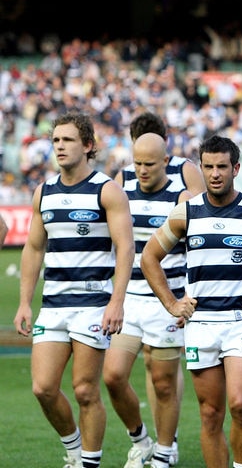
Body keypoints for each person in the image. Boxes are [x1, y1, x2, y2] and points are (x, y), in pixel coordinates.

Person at [140, 135, 242, 468]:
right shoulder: (185, 213)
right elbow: (148, 258)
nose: (215, 173)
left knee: (240, 403)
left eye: (222, 167)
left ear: (236, 168)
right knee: (210, 412)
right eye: (208, 167)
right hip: (200, 324)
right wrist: (173, 304)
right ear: (201, 168)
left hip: (240, 323)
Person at [13, 111, 135, 468]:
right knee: (43, 388)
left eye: (67, 140)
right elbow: (34, 248)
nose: (60, 147)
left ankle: (88, 463)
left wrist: (117, 301)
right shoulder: (44, 192)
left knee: (85, 390)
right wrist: (24, 302)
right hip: (53, 305)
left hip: (93, 304)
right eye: (56, 140)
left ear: (88, 145)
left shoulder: (107, 190)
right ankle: (73, 450)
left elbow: (126, 248)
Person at [112, 111, 206, 467]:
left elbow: (197, 245)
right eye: (136, 162)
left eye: (149, 163)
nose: (141, 169)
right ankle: (141, 440)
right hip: (130, 299)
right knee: (114, 375)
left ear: (166, 160)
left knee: (163, 380)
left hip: (166, 301)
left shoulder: (182, 192)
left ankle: (165, 451)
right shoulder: (120, 188)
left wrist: (185, 299)